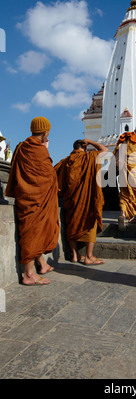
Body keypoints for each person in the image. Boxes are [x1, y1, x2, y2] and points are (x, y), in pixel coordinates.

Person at [5, 117, 59, 285]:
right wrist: (46, 150)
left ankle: (41, 264)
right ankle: (28, 274)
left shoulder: (21, 147)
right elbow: (49, 176)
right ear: (45, 132)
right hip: (36, 199)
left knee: (33, 232)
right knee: (32, 233)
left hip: (25, 197)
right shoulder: (39, 150)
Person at [55, 138, 108, 264]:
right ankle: (89, 256)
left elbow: (54, 173)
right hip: (87, 199)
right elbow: (105, 150)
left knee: (72, 225)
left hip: (71, 200)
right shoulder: (90, 157)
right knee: (91, 223)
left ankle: (75, 255)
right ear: (84, 147)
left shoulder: (65, 161)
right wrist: (90, 141)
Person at [112, 124, 136, 230]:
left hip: (124, 170)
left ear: (135, 130)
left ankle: (123, 214)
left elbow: (117, 152)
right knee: (135, 195)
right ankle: (132, 217)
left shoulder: (126, 139)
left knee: (124, 193)